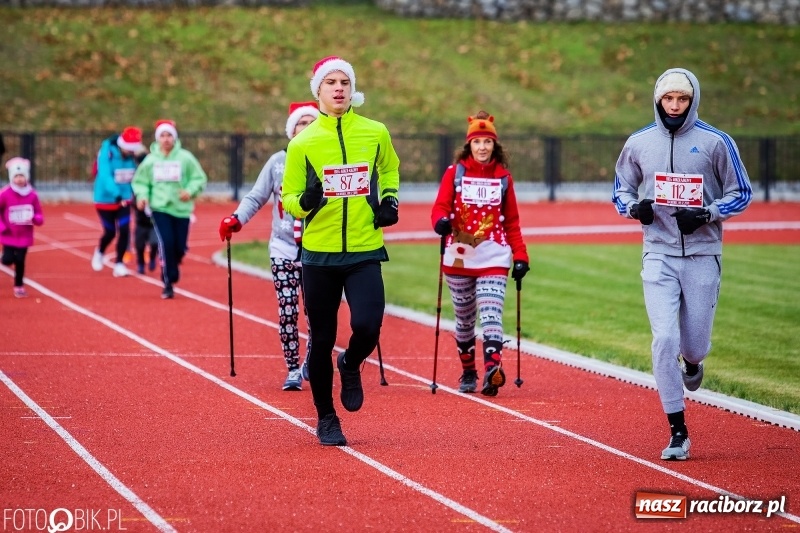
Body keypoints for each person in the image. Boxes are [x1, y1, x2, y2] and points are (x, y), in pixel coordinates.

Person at [612, 68, 752, 461]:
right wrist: (633, 209)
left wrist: (708, 213)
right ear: (657, 99)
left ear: (693, 100)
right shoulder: (639, 142)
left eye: (682, 99)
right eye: (668, 98)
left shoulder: (716, 142)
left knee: (693, 343)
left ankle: (694, 362)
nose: (674, 106)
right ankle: (678, 431)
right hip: (657, 253)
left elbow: (742, 193)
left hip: (703, 255)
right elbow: (620, 189)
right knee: (664, 340)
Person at [281, 56, 400, 446]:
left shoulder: (375, 131)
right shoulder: (303, 142)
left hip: (365, 248)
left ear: (352, 90)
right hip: (320, 254)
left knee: (368, 324)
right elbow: (290, 198)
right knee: (321, 337)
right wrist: (307, 201)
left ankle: (350, 362)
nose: (338, 89)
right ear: (318, 91)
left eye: (344, 82)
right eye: (330, 82)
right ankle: (327, 418)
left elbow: (391, 170)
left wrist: (389, 201)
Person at [219, 101, 320, 391]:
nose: (306, 127)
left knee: (316, 312)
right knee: (287, 310)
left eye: (312, 122)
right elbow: (256, 196)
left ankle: (312, 360)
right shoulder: (278, 162)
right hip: (283, 248)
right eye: (301, 123)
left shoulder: (328, 159)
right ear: (292, 130)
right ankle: (292, 369)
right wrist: (237, 219)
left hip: (319, 249)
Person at [430, 111, 530, 397]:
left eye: (487, 142)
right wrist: (440, 222)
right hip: (459, 255)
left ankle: (492, 370)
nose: (483, 147)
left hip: (494, 256)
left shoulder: (503, 179)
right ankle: (468, 371)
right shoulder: (455, 173)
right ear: (469, 145)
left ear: (494, 145)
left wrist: (521, 255)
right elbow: (439, 207)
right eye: (477, 142)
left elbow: (512, 222)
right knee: (464, 320)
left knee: (491, 314)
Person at [132, 120, 208, 299]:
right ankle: (168, 282)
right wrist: (142, 197)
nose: (166, 139)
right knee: (166, 243)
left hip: (181, 209)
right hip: (160, 208)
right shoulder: (151, 161)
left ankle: (174, 262)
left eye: (169, 136)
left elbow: (199, 178)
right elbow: (140, 181)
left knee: (180, 247)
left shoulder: (185, 158)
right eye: (162, 136)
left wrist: (189, 191)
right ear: (158, 139)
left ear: (174, 138)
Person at [91, 126, 145, 277]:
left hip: (125, 199)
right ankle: (100, 251)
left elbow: (141, 175)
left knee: (125, 230)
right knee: (110, 232)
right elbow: (104, 175)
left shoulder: (134, 157)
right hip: (105, 199)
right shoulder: (107, 152)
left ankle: (119, 263)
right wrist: (116, 195)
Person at [1, 157, 44, 298]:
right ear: (12, 177)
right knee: (7, 260)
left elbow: (39, 214)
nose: (19, 179)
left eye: (22, 176)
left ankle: (18, 285)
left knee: (20, 261)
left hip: (25, 236)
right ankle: (4, 258)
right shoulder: (5, 194)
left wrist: (34, 219)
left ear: (27, 177)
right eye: (16, 176)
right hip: (8, 235)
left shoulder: (32, 195)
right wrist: (1, 226)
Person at [133, 198, 159, 275]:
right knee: (140, 246)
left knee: (154, 243)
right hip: (141, 224)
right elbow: (133, 203)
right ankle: (141, 264)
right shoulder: (140, 193)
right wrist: (138, 204)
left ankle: (152, 258)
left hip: (153, 224)